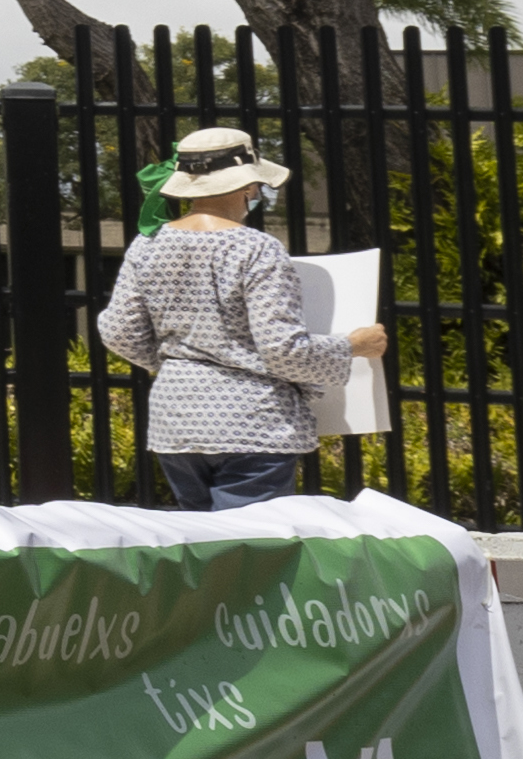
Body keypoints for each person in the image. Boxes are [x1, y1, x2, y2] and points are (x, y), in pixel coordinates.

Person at [93, 125, 375, 510]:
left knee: (201, 550)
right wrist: (352, 346)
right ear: (245, 187)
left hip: (176, 420)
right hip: (253, 423)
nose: (259, 194)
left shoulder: (149, 243)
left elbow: (117, 330)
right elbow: (282, 350)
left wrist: (177, 364)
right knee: (247, 551)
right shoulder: (257, 249)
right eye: (258, 185)